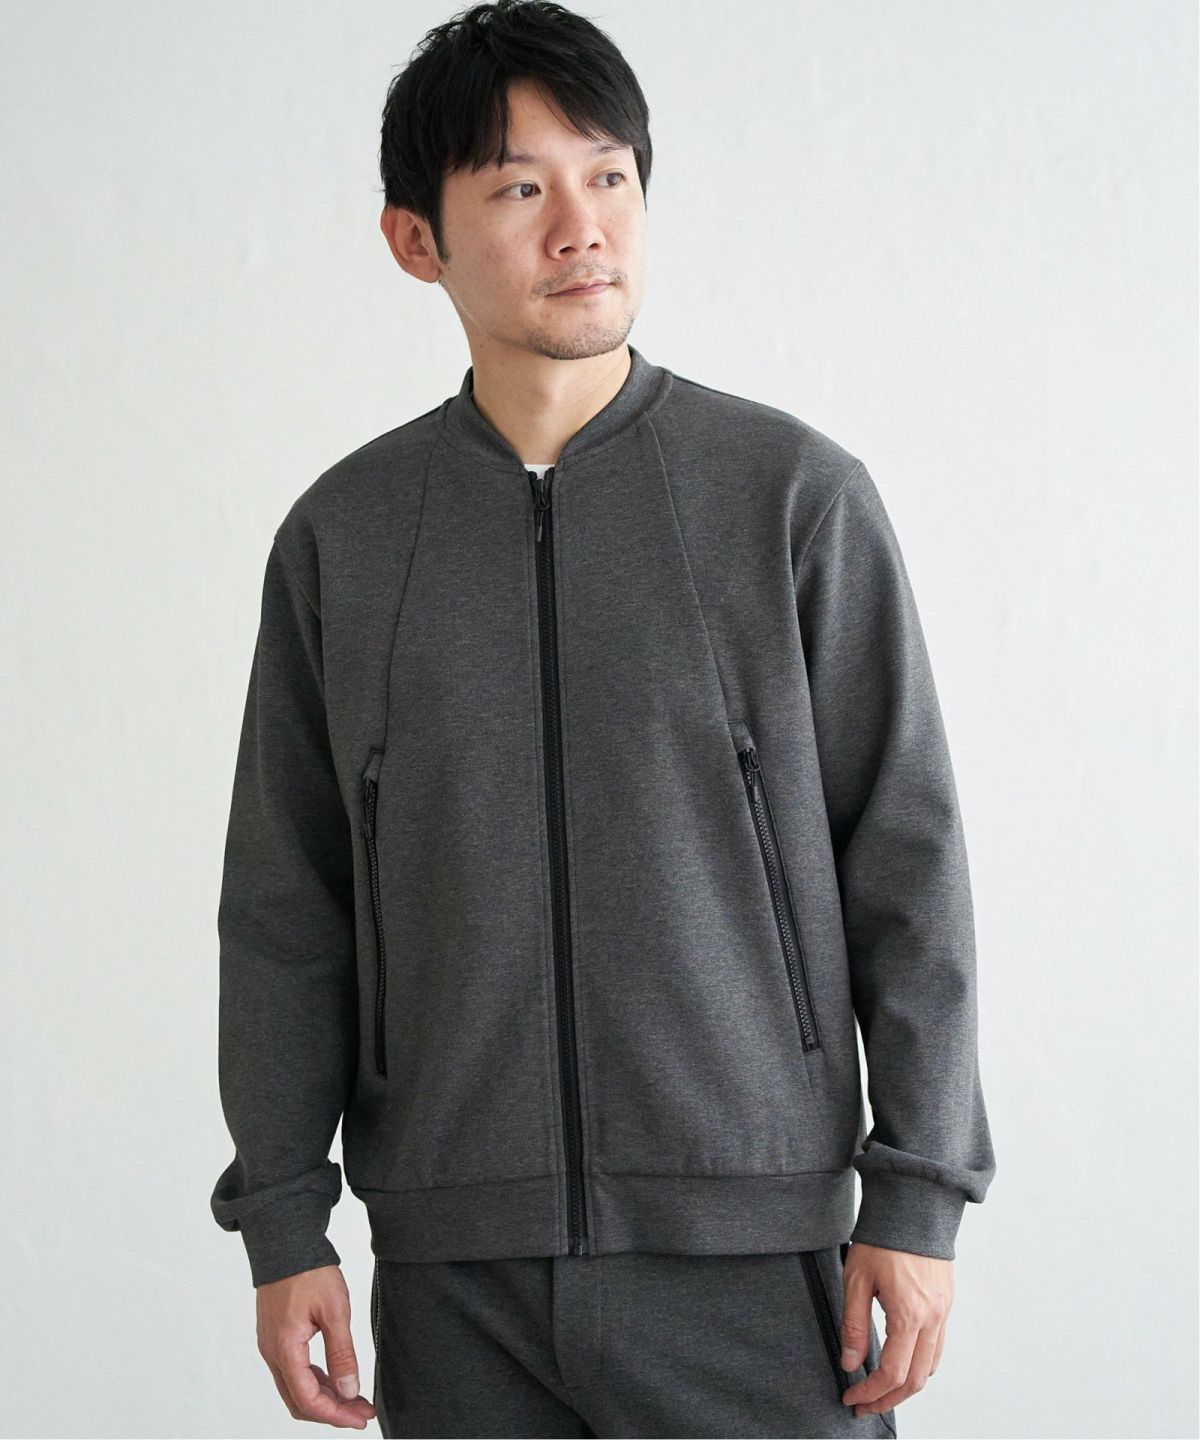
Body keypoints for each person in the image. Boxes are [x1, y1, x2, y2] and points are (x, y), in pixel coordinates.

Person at [209, 2, 997, 1435]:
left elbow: (909, 861)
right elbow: (286, 905)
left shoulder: (792, 501)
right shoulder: (344, 539)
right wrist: (284, 1218)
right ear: (415, 240)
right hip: (457, 1282)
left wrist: (919, 1195)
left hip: (756, 1264)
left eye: (610, 176)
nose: (583, 228)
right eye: (521, 188)